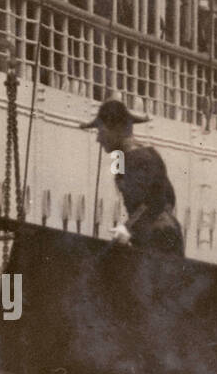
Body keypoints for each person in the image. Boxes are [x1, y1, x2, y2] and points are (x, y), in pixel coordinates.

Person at [79, 98, 184, 256]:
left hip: (157, 239)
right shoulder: (147, 154)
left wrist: (128, 228)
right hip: (164, 234)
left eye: (101, 131)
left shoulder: (135, 158)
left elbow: (151, 202)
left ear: (117, 129)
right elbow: (169, 197)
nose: (98, 139)